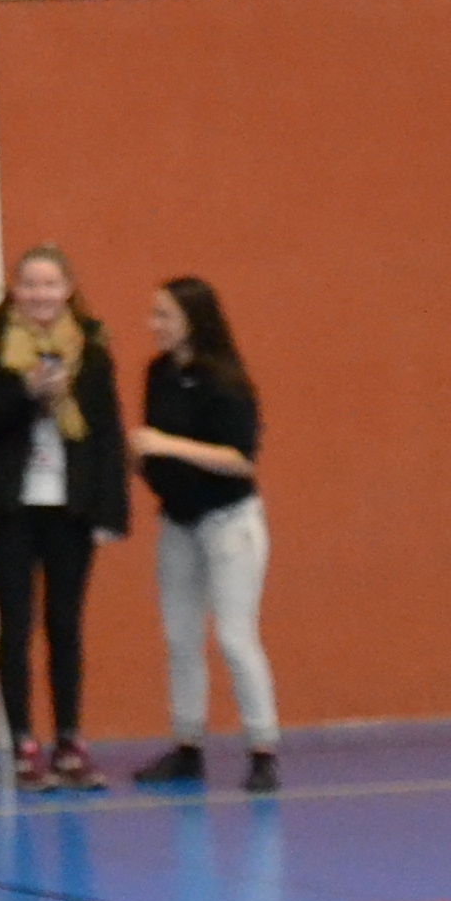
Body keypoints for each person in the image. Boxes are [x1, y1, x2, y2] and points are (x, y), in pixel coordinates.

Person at [0, 246, 127, 792]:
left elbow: (106, 435)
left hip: (70, 506)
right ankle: (24, 744)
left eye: (50, 285)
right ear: (15, 291)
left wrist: (109, 511)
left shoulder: (92, 351)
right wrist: (25, 394)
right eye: (29, 285)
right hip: (9, 504)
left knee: (65, 622)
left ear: (68, 290)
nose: (39, 296)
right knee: (16, 620)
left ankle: (70, 741)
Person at [130, 275, 276, 793]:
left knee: (235, 637)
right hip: (178, 522)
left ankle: (262, 749)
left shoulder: (226, 381)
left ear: (192, 321)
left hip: (230, 523)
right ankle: (187, 744)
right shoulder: (158, 374)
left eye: (164, 315)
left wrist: (168, 445)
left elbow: (238, 459)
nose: (154, 325)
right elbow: (155, 452)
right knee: (179, 637)